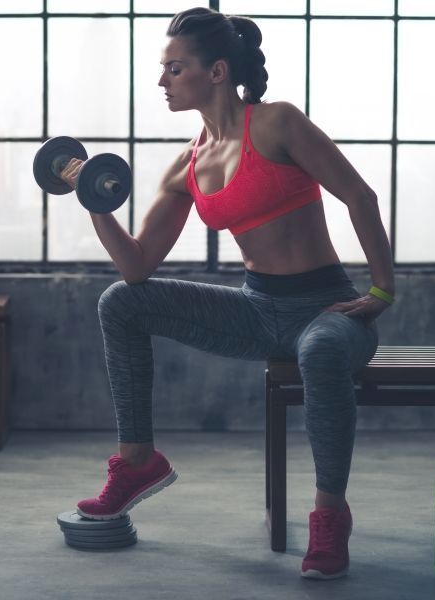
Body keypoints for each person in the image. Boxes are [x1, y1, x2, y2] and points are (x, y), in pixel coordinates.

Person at [60, 6, 394, 580]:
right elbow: (136, 266)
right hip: (258, 310)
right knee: (120, 301)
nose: (161, 81)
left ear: (216, 72)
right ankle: (138, 462)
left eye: (174, 68)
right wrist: (96, 201)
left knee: (317, 349)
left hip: (328, 310)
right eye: (162, 68)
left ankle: (330, 516)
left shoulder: (278, 124)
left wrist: (382, 291)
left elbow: (359, 197)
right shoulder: (187, 166)